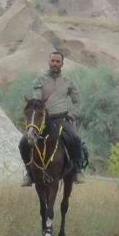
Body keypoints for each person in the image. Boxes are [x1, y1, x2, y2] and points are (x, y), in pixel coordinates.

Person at [20, 51, 86, 186]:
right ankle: (29, 173)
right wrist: (38, 113)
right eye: (53, 61)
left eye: (57, 61)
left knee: (75, 139)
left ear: (62, 63)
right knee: (23, 142)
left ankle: (78, 170)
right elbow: (37, 100)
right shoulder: (40, 80)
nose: (55, 63)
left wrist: (72, 114)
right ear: (49, 62)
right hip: (43, 120)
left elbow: (78, 102)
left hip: (62, 118)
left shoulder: (68, 82)